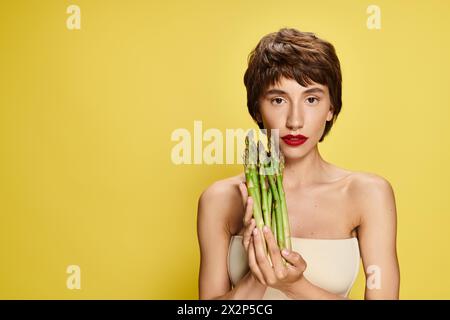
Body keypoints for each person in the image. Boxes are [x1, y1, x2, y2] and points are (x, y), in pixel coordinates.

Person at [197, 27, 399, 299]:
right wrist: (258, 276)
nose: (295, 121)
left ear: (331, 108)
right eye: (278, 100)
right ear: (257, 108)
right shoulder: (220, 199)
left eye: (312, 99)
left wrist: (294, 285)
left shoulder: (368, 194)